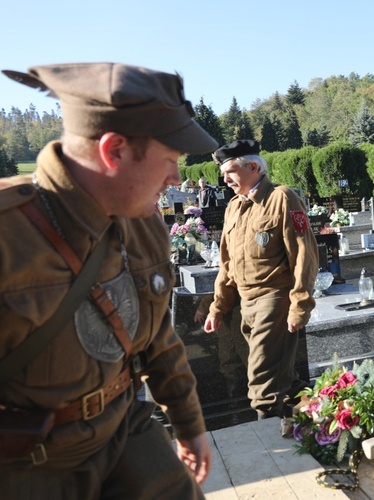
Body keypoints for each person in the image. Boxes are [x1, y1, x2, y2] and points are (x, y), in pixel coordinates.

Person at [0, 63, 215, 497]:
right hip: (29, 460)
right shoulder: (9, 237)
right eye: (170, 160)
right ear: (113, 149)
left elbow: (158, 337)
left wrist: (189, 424)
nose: (176, 179)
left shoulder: (143, 224)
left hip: (122, 430)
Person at [204, 139, 318, 419]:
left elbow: (304, 254)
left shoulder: (282, 198)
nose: (224, 178)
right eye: (223, 173)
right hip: (246, 304)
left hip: (274, 299)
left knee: (261, 384)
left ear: (253, 167)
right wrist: (217, 307)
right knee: (284, 381)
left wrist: (299, 305)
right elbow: (227, 265)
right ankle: (325, 419)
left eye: (230, 171)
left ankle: (267, 445)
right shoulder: (233, 207)